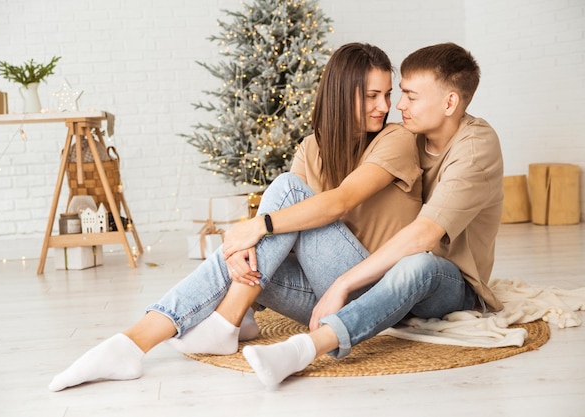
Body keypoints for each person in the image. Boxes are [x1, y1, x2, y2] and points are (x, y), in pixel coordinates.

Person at [48, 42, 423, 391]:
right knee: (253, 240)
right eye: (372, 95)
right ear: (341, 96)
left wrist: (256, 227)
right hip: (323, 297)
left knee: (287, 191)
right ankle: (138, 341)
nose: (384, 105)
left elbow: (341, 201)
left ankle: (216, 322)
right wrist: (241, 251)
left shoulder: (397, 139)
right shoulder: (314, 147)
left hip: (374, 290)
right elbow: (288, 234)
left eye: (387, 94)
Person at [241, 42, 505, 387]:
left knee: (419, 264)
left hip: (450, 283)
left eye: (410, 96)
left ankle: (306, 349)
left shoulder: (475, 147)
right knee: (257, 254)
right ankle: (216, 317)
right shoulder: (408, 139)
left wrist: (343, 283)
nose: (397, 106)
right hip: (385, 280)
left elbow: (425, 235)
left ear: (450, 102)